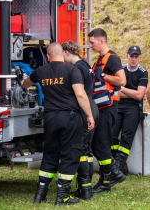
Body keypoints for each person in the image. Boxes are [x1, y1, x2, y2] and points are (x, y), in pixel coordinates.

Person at [20, 43, 95, 206]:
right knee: (70, 154)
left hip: (50, 118)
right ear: (63, 54)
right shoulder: (72, 70)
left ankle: (40, 195)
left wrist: (21, 84)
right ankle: (63, 196)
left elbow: (25, 83)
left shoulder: (41, 71)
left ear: (48, 56)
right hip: (70, 117)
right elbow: (81, 95)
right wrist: (89, 115)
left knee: (50, 154)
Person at [88, 28, 127, 193]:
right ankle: (107, 179)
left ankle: (113, 175)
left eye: (92, 42)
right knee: (98, 144)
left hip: (108, 106)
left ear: (101, 41)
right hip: (100, 107)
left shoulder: (112, 58)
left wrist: (103, 76)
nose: (90, 45)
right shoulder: (100, 59)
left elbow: (122, 80)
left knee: (101, 143)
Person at [62, 41, 99, 200]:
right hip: (92, 105)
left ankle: (85, 190)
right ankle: (86, 187)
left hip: (84, 108)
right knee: (87, 150)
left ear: (65, 52)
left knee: (81, 150)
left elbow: (78, 92)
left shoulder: (76, 68)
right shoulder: (86, 65)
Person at [111, 46, 148, 175]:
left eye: (136, 57)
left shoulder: (143, 72)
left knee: (127, 136)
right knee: (112, 134)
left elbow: (139, 95)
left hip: (133, 107)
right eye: (131, 56)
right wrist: (131, 92)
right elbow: (113, 91)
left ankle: (120, 162)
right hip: (117, 105)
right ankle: (116, 164)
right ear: (127, 56)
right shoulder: (120, 70)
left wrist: (122, 88)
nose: (133, 59)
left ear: (140, 58)